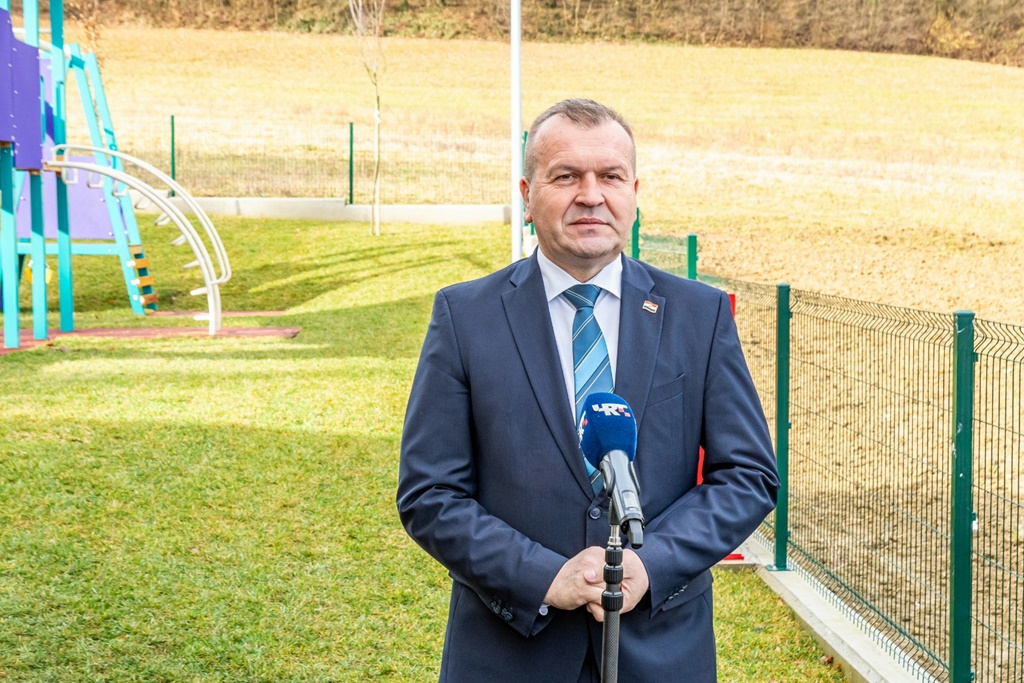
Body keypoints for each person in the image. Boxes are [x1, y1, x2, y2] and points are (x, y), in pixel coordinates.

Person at [397, 98, 779, 682]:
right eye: (566, 176)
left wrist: (651, 565)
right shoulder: (465, 316)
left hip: (661, 653)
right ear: (528, 196)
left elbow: (748, 475)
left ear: (634, 193)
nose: (591, 195)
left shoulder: (698, 315)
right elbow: (429, 493)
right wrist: (544, 576)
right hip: (509, 656)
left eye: (611, 176)